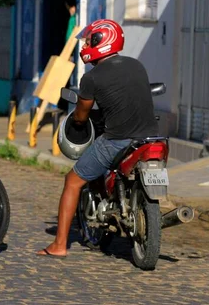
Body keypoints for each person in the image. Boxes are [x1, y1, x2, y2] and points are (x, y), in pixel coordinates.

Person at [37, 19, 159, 258]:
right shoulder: (137, 66)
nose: (85, 45)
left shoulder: (92, 78)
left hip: (117, 140)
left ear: (100, 41)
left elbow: (81, 117)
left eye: (89, 40)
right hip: (151, 137)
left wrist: (78, 121)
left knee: (72, 181)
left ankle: (59, 245)